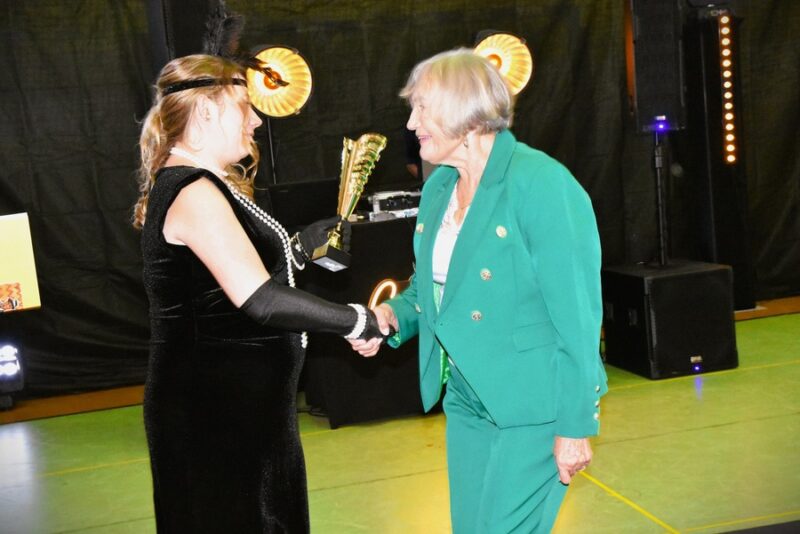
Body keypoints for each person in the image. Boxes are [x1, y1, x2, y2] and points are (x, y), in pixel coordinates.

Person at [350, 48, 608, 533]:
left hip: (534, 402)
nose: (411, 123)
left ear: (463, 110)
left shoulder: (542, 184)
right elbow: (434, 291)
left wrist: (575, 425)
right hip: (468, 396)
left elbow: (578, 318)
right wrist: (393, 317)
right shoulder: (439, 188)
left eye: (422, 107)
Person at [133, 53, 384, 533]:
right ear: (206, 110)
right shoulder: (193, 190)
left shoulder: (200, 182)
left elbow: (216, 285)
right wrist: (356, 320)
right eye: (244, 106)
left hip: (240, 410)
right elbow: (260, 299)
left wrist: (300, 249)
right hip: (218, 415)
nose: (255, 120)